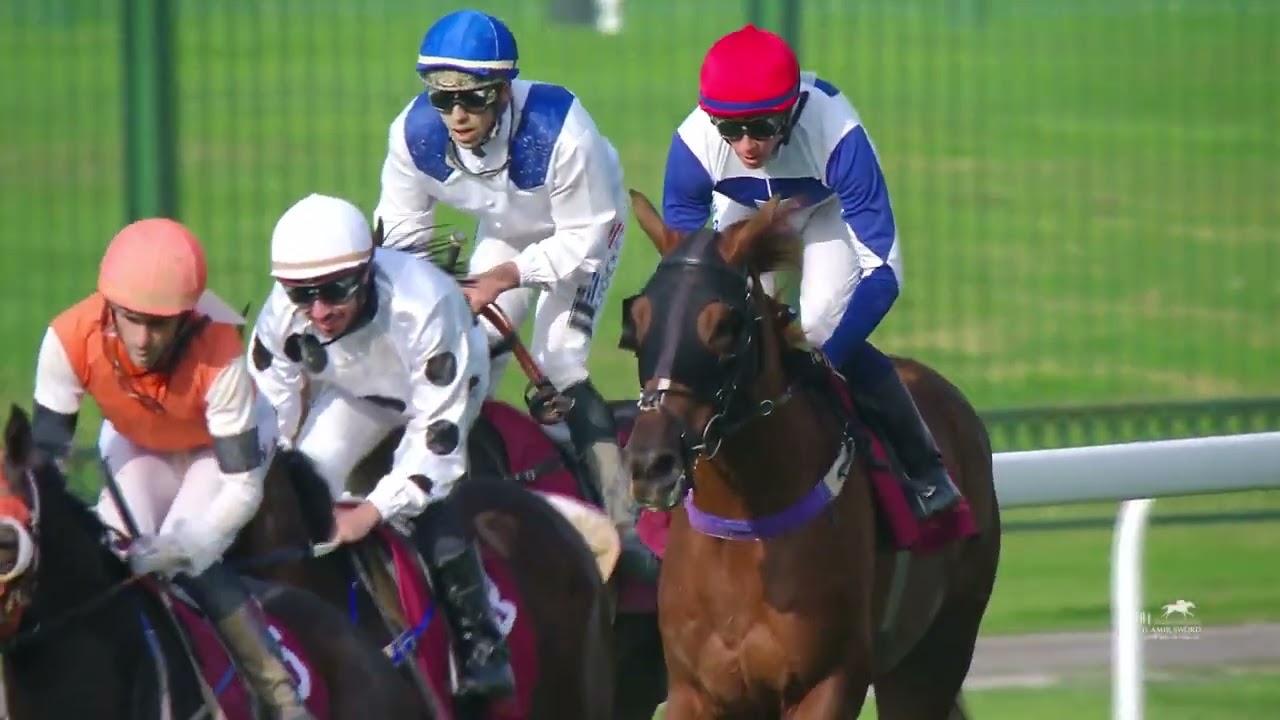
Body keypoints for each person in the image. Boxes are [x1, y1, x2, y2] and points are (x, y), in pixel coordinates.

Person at [372, 10, 656, 578]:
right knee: (468, 348)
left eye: (473, 100)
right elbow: (398, 239)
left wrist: (502, 278)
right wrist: (435, 291)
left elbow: (588, 238)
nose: (456, 116)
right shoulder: (412, 135)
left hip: (584, 227)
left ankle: (629, 530)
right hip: (508, 229)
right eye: (442, 100)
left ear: (503, 91)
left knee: (560, 359)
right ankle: (452, 496)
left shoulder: (561, 130)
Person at [660, 24, 962, 519]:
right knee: (722, 325)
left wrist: (828, 358)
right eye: (729, 129)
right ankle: (685, 466)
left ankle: (925, 468)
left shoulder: (837, 134)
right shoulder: (693, 146)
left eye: (761, 126)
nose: (746, 145)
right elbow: (686, 271)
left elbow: (884, 272)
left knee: (819, 328)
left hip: (825, 210)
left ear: (792, 110)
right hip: (744, 209)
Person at [29, 218, 315, 719]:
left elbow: (242, 487)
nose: (141, 340)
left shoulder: (220, 352)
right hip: (140, 442)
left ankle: (281, 697)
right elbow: (45, 467)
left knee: (184, 564)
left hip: (217, 454)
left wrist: (188, 546)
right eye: (129, 319)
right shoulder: (67, 338)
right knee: (112, 556)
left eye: (158, 324)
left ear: (187, 318)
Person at [246, 192, 514, 700]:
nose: (319, 312)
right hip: (360, 395)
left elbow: (437, 443)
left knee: (426, 502)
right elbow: (266, 420)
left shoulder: (425, 305)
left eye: (335, 290)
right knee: (304, 481)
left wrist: (370, 511)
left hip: (440, 391)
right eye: (302, 295)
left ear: (367, 270)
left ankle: (481, 642)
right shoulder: (284, 312)